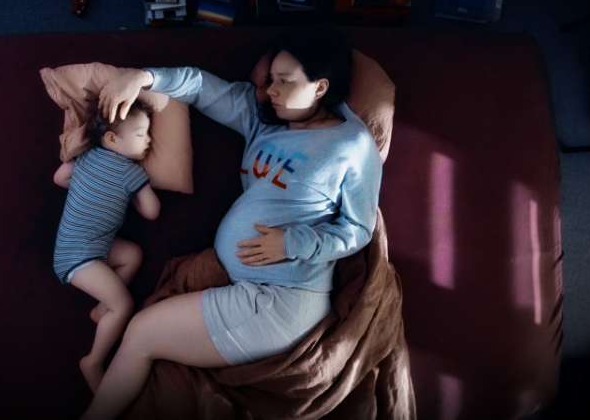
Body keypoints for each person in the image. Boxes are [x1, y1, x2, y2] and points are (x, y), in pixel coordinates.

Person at [82, 28, 383, 419]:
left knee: (141, 333)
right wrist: (142, 77)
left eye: (284, 81)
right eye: (269, 80)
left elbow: (358, 230)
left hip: (283, 298)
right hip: (250, 288)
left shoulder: (352, 145)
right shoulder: (263, 119)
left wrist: (292, 243)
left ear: (320, 87)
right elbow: (201, 87)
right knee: (143, 335)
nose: (270, 91)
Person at [52, 100, 161, 392]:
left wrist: (84, 187)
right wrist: (135, 192)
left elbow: (59, 178)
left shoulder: (86, 156)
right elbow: (152, 212)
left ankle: (102, 310)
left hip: (77, 248)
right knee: (124, 305)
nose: (149, 140)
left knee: (132, 254)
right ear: (112, 139)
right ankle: (93, 361)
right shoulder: (132, 173)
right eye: (141, 134)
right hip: (80, 258)